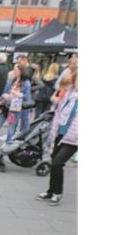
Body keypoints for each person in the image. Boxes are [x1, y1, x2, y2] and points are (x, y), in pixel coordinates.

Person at [38, 70, 78, 205]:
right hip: (61, 132)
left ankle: (58, 193)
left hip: (74, 138)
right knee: (53, 161)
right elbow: (59, 111)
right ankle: (50, 191)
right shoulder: (69, 94)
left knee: (57, 163)